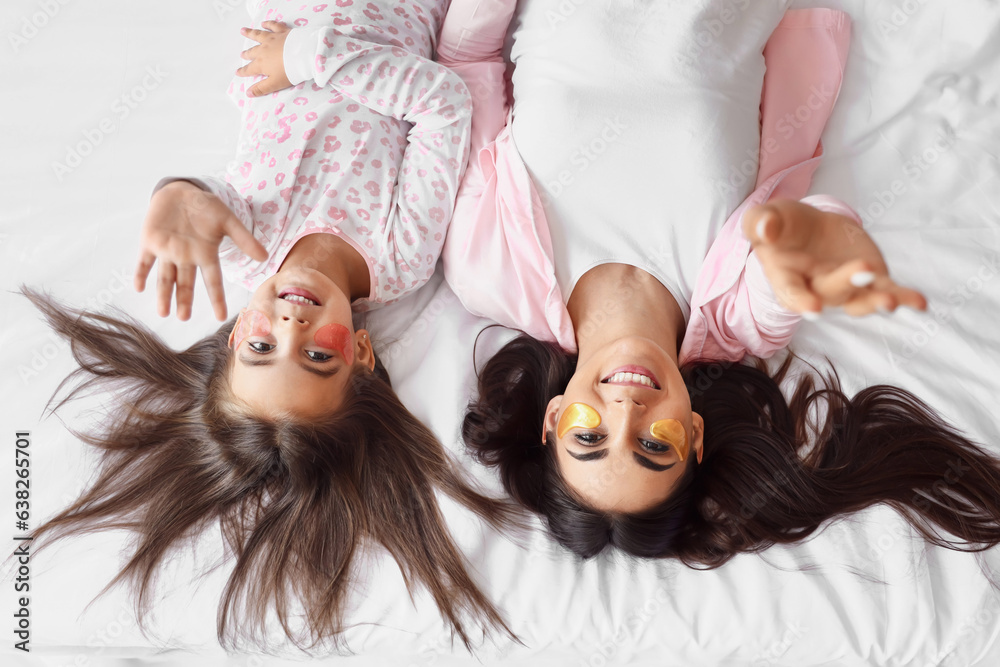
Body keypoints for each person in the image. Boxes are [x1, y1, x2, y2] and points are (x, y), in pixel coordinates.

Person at [25, 0, 519, 651]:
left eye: (262, 346)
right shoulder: (400, 255)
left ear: (235, 335)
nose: (291, 322)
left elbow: (209, 194)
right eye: (318, 357)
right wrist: (309, 54)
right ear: (363, 353)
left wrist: (176, 195)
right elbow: (443, 103)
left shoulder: (244, 243)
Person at [439, 0, 1000, 562]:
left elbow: (467, 68)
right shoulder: (742, 315)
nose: (628, 411)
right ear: (697, 435)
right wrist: (821, 251)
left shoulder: (487, 269)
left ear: (554, 418)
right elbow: (805, 247)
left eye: (590, 438)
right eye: (655, 445)